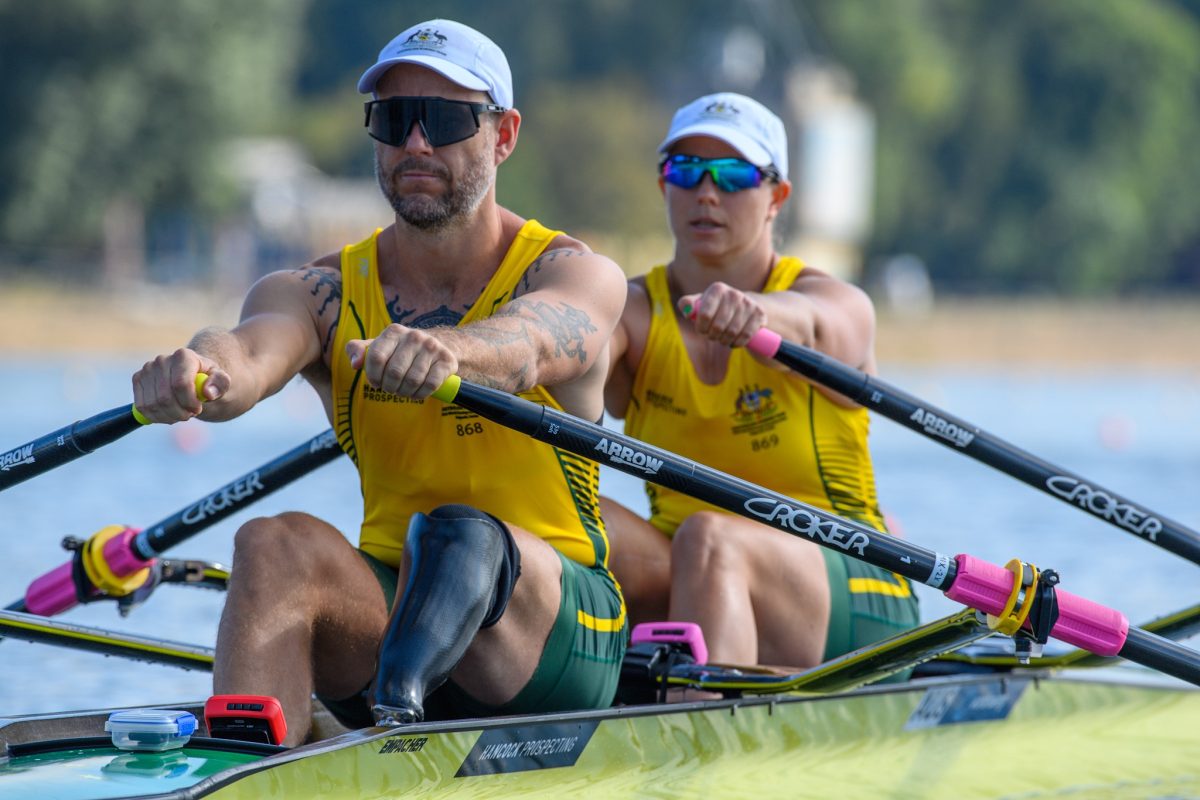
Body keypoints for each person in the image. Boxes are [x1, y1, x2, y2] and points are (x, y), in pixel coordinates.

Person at [132, 19, 628, 745]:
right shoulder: (318, 290)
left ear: (504, 135)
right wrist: (198, 371)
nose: (417, 144)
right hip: (394, 615)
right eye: (395, 120)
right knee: (272, 544)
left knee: (463, 534)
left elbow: (530, 344)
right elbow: (244, 353)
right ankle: (245, 763)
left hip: (556, 630)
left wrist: (449, 353)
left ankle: (388, 719)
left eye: (448, 119)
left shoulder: (573, 272)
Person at [601, 92, 919, 670]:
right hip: (689, 568)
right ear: (663, 186)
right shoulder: (632, 311)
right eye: (686, 170)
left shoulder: (836, 301)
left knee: (709, 537)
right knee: (570, 515)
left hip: (854, 577)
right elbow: (569, 344)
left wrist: (759, 317)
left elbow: (820, 326)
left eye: (733, 174)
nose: (706, 192)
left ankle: (705, 727)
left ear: (777, 196)